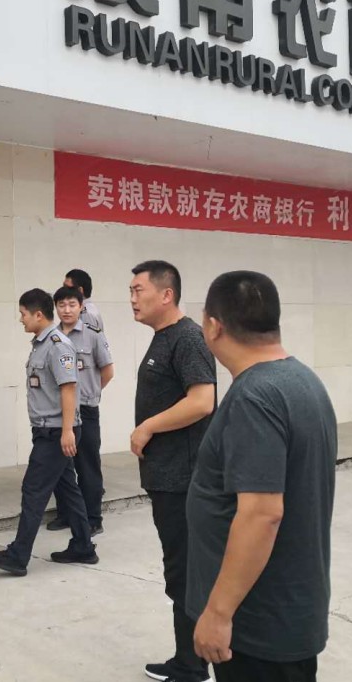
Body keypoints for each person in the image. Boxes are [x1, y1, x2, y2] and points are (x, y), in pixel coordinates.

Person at [189, 271, 336, 682]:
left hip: (256, 625)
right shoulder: (304, 380)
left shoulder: (254, 397)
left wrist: (218, 613)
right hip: (288, 610)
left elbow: (262, 514)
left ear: (214, 326)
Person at [129, 261, 215, 682]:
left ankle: (192, 665)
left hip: (184, 480)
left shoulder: (187, 338)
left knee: (185, 572)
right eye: (130, 290)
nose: (132, 298)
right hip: (166, 478)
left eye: (138, 290)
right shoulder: (164, 337)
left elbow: (202, 401)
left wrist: (147, 427)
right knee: (180, 570)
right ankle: (191, 658)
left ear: (166, 294)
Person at [0, 288, 97, 576]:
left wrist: (68, 431)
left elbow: (69, 388)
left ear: (37, 315)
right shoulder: (41, 344)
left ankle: (18, 555)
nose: (21, 319)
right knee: (68, 489)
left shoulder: (58, 345)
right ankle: (83, 546)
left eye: (23, 314)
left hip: (56, 432)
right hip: (50, 431)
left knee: (33, 491)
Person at [45, 286, 114, 535]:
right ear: (55, 308)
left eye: (72, 304)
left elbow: (107, 371)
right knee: (61, 467)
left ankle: (93, 518)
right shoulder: (51, 337)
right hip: (59, 412)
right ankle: (66, 514)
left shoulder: (93, 335)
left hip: (85, 410)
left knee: (87, 465)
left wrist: (90, 393)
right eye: (61, 305)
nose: (67, 310)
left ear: (81, 306)